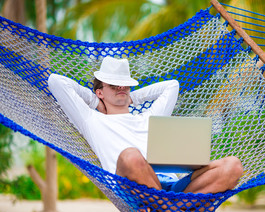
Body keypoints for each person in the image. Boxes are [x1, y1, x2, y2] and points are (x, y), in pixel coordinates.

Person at [48, 56, 243, 195]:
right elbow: (55, 82)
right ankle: (168, 207)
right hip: (132, 187)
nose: (121, 88)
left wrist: (133, 98)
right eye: (114, 85)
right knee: (131, 155)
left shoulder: (148, 117)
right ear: (100, 92)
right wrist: (94, 102)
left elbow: (172, 86)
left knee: (233, 165)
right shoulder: (90, 119)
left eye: (125, 84)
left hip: (170, 188)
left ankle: (170, 206)